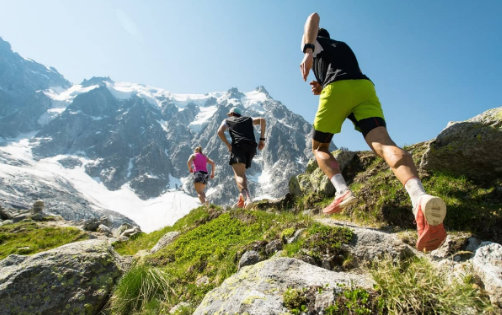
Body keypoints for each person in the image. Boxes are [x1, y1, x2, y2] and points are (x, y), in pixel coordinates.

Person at [299, 12, 446, 252]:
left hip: (337, 90)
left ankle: (341, 191)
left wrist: (307, 49)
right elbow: (339, 71)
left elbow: (312, 17)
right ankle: (419, 198)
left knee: (319, 148)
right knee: (383, 143)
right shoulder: (341, 46)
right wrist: (321, 83)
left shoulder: (314, 43)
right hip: (364, 88)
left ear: (316, 39)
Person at [217, 107, 266, 208]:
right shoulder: (248, 119)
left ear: (231, 114)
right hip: (252, 147)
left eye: (229, 114)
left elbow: (220, 132)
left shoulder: (227, 120)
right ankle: (241, 200)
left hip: (239, 146)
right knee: (242, 173)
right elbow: (262, 120)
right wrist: (261, 139)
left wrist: (228, 145)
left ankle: (247, 198)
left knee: (238, 175)